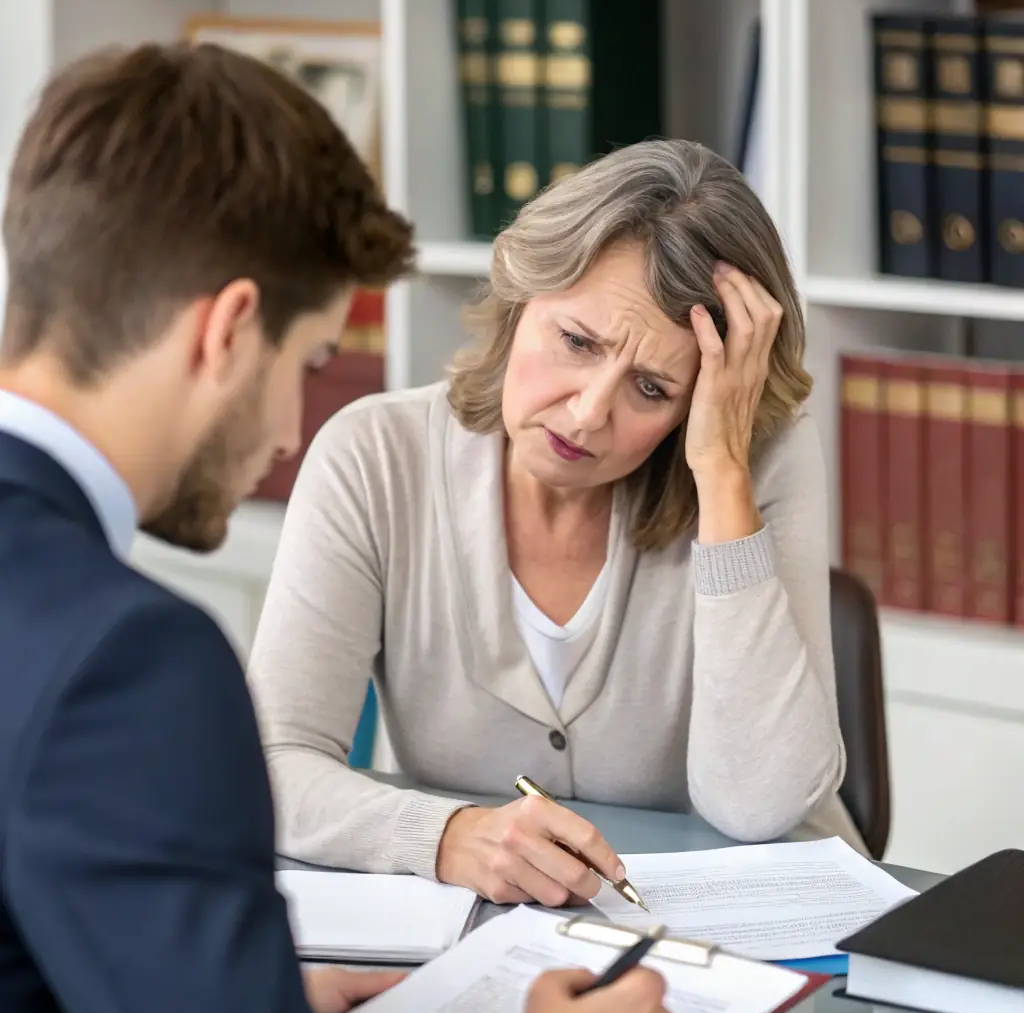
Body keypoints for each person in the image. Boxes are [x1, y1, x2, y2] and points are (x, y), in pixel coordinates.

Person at [0, 43, 680, 1013]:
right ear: (226, 331)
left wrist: (219, 1011)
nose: (284, 429)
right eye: (309, 361)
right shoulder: (131, 663)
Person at [248, 138, 867, 907]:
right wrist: (444, 836)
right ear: (520, 296)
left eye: (650, 386)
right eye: (576, 342)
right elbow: (269, 766)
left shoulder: (753, 462)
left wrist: (720, 475)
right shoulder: (375, 456)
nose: (589, 411)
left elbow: (759, 803)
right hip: (503, 941)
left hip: (758, 949)